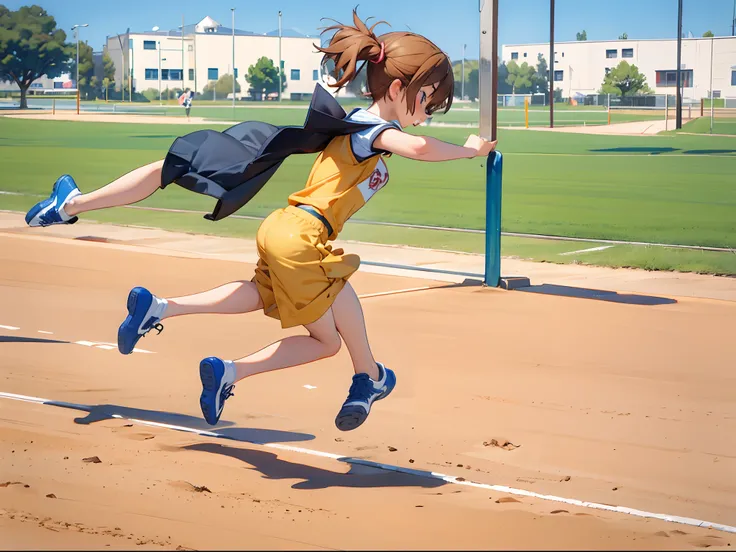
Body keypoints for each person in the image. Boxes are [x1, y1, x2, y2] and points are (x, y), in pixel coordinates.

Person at [24, 9, 497, 431]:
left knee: (272, 304)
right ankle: (368, 376)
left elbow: (360, 173)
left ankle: (173, 320)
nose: (428, 115)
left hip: (281, 227)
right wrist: (469, 151)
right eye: (429, 102)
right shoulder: (376, 131)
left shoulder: (353, 125)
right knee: (339, 289)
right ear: (398, 89)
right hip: (303, 235)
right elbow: (415, 147)